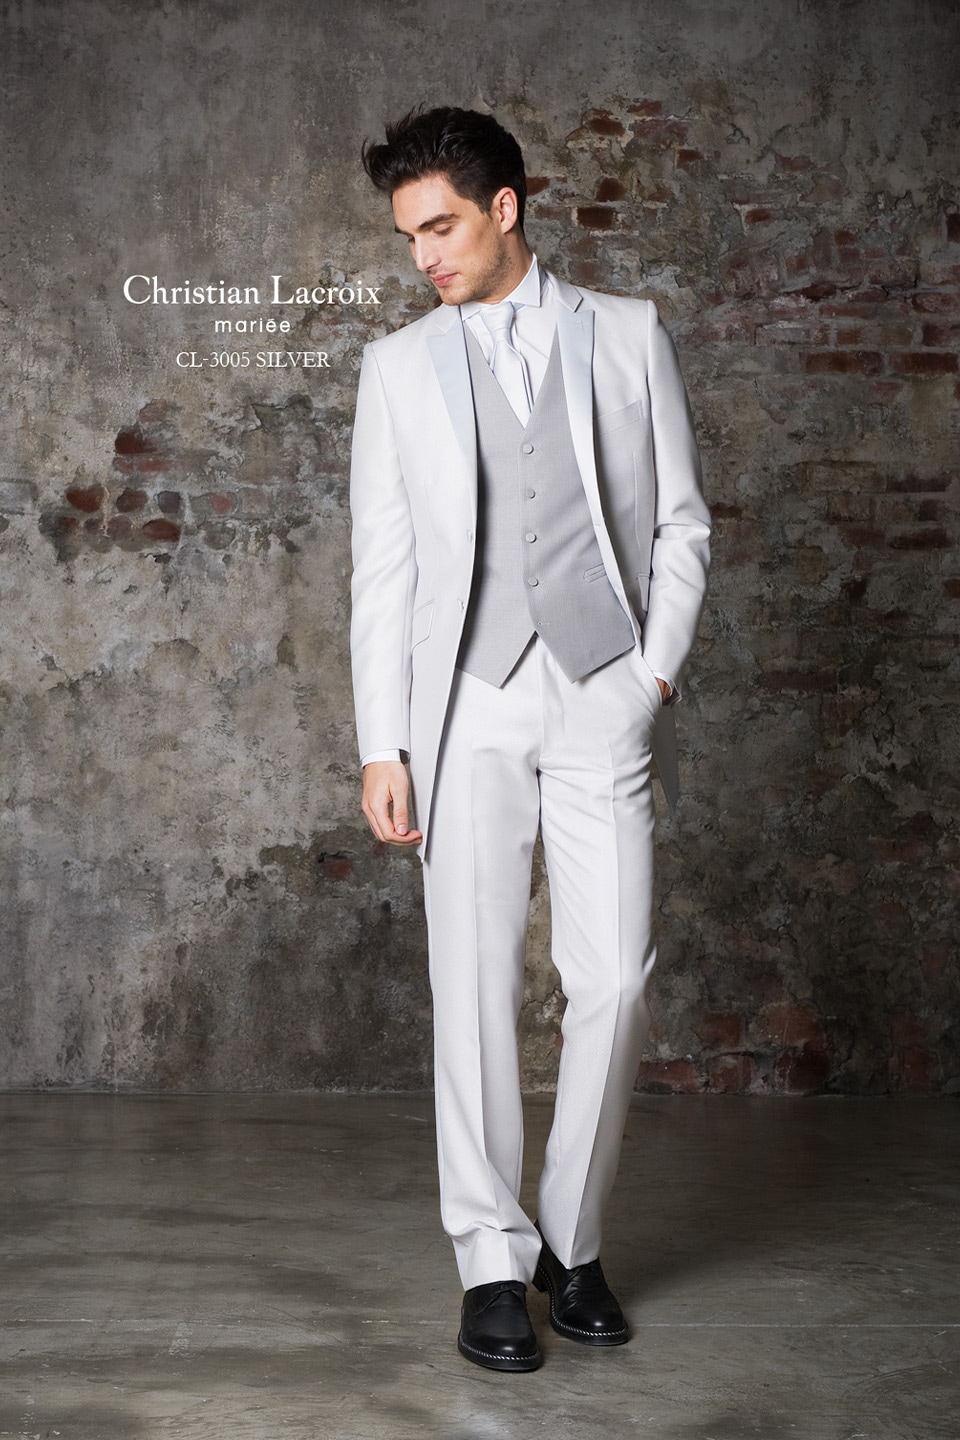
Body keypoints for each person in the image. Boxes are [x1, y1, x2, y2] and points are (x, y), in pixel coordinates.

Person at [349, 106, 710, 1372]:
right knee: (474, 986)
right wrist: (384, 742)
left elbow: (681, 522)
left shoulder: (628, 333)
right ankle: (491, 1262)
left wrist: (649, 674)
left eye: (441, 227)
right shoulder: (397, 369)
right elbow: (383, 570)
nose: (424, 257)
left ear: (505, 208)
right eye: (409, 236)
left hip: (602, 687)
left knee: (613, 979)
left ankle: (572, 1238)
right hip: (466, 704)